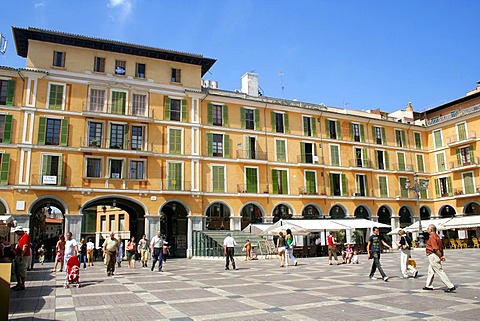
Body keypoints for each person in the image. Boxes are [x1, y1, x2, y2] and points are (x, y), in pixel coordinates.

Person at [423, 224, 455, 292]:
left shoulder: (432, 237)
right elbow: (441, 247)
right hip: (434, 255)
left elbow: (435, 248)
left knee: (440, 271)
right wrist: (442, 255)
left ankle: (450, 285)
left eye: (428, 229)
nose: (427, 230)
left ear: (431, 230)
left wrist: (441, 256)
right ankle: (428, 285)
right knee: (430, 271)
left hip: (433, 256)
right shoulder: (437, 236)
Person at [12, 226, 31, 291]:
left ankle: (22, 284)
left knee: (21, 270)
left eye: (17, 232)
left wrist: (22, 254)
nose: (16, 233)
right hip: (18, 255)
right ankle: (18, 283)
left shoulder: (25, 236)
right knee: (17, 270)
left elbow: (25, 246)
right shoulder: (20, 237)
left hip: (22, 256)